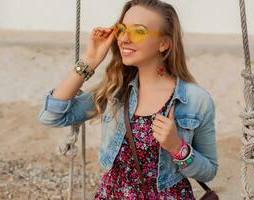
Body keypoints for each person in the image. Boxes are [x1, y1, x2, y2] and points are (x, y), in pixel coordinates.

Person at [37, 0, 218, 199]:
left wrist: (178, 148)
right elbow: (51, 116)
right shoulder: (115, 90)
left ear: (164, 43)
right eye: (122, 29)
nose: (124, 38)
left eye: (138, 32)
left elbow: (208, 171)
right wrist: (90, 60)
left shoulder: (196, 100)